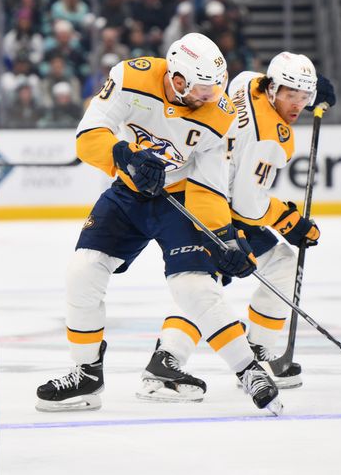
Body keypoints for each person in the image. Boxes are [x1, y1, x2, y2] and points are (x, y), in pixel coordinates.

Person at [35, 33, 283, 416]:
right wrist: (122, 154)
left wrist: (223, 239)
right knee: (82, 271)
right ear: (178, 78)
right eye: (202, 89)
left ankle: (249, 371)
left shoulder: (219, 113)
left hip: (180, 200)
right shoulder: (132, 77)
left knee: (195, 288)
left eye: (215, 88)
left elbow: (209, 184)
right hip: (128, 194)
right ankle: (86, 373)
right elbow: (89, 134)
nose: (210, 97)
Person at [138, 53, 336, 402]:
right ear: (273, 88)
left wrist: (310, 83)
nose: (298, 105)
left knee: (205, 284)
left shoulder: (247, 83)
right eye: (292, 95)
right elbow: (249, 206)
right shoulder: (271, 141)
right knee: (268, 266)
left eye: (305, 97)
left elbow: (253, 77)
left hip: (192, 192)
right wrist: (289, 220)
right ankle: (253, 351)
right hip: (217, 207)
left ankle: (171, 358)